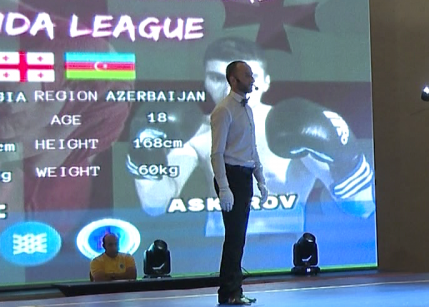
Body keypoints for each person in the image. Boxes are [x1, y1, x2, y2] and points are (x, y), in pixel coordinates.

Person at [129, 37, 374, 232]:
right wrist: (143, 154)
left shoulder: (291, 125)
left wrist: (347, 159)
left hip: (285, 254)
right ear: (205, 81)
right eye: (218, 78)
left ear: (265, 81)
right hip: (219, 254)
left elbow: (362, 207)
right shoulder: (198, 131)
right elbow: (155, 205)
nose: (232, 89)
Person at [209, 60, 270, 305]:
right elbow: (217, 153)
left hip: (244, 176)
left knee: (239, 236)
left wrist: (261, 179)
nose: (251, 79)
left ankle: (235, 289)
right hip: (231, 175)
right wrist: (224, 187)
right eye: (246, 75)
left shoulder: (247, 109)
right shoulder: (224, 110)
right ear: (233, 80)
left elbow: (251, 148)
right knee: (234, 236)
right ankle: (228, 291)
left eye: (252, 75)